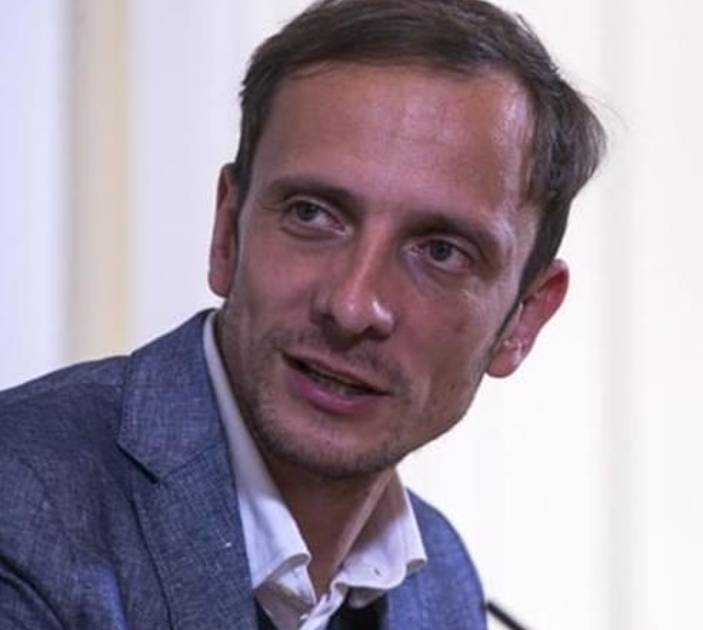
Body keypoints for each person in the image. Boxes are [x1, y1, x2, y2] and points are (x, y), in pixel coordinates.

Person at [0, 0, 604, 628]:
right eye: (312, 214)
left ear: (523, 320)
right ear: (227, 232)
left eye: (441, 252)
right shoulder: (23, 513)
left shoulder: (444, 583)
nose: (352, 306)